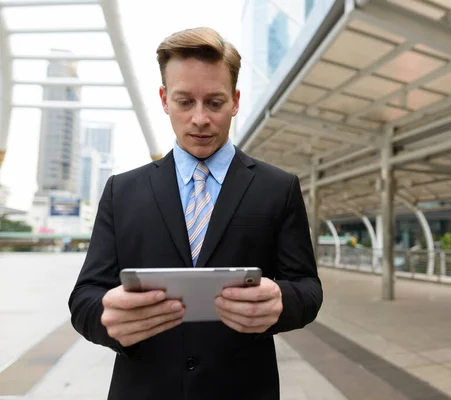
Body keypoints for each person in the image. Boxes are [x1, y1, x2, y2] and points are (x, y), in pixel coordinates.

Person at [68, 26, 322, 400]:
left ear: (235, 101)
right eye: (185, 101)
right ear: (164, 99)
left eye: (215, 103)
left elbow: (307, 288)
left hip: (243, 389)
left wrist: (281, 302)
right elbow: (84, 297)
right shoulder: (121, 191)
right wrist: (107, 319)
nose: (200, 119)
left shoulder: (278, 187)